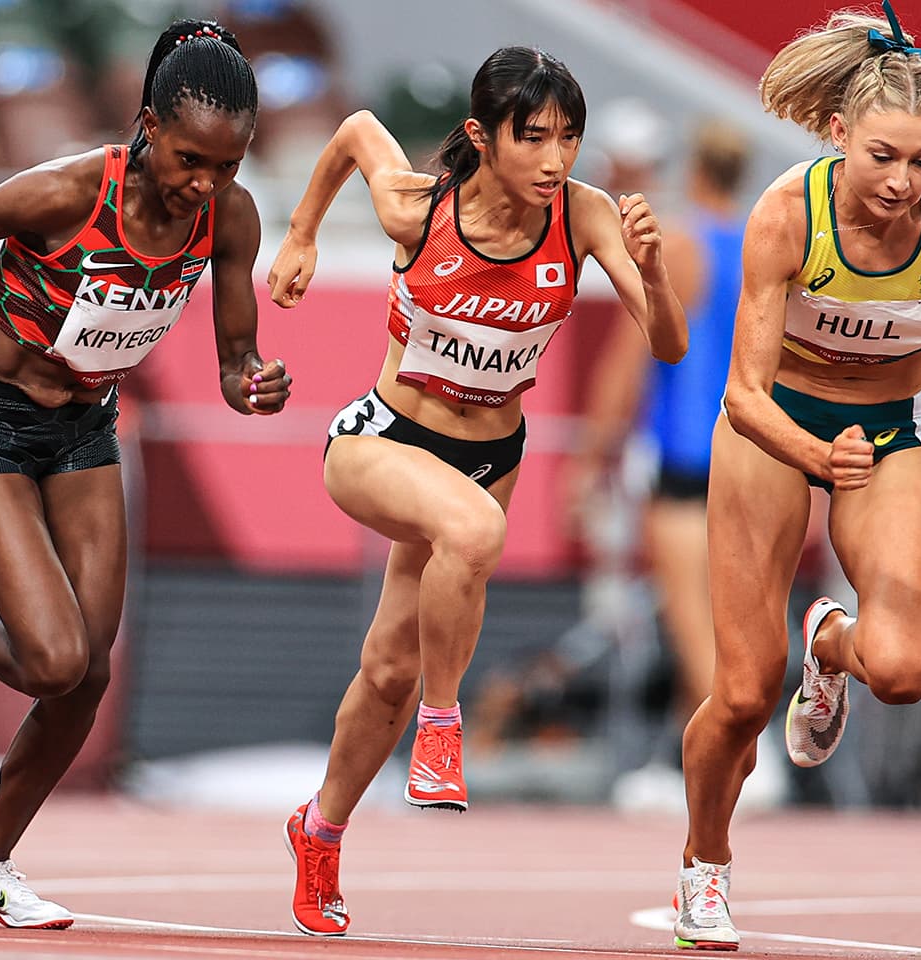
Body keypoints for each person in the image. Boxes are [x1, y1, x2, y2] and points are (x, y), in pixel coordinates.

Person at [0, 18, 289, 929]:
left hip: (82, 430)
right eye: (192, 160)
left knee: (89, 678)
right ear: (148, 126)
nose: (206, 185)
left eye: (227, 167)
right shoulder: (70, 191)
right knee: (53, 659)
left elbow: (237, 359)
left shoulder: (229, 217)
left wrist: (253, 382)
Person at [266, 46, 689, 936]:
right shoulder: (418, 209)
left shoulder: (585, 216)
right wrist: (301, 234)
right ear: (480, 137)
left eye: (569, 138)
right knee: (472, 535)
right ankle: (444, 724)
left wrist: (650, 269)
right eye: (532, 138)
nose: (555, 159)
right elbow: (353, 131)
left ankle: (321, 827)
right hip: (382, 440)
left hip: (493, 454)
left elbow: (669, 348)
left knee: (385, 667)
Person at [673, 3, 921, 951]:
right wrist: (812, 455)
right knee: (746, 693)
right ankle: (705, 867)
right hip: (777, 426)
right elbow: (742, 394)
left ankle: (828, 642)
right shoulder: (789, 212)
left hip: (893, 431)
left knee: (907, 673)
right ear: (839, 135)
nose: (903, 183)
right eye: (882, 157)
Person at [572, 120, 752, 805]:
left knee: (693, 622)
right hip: (752, 453)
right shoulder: (768, 243)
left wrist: (587, 461)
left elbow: (626, 367)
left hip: (685, 456)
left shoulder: (676, 247)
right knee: (732, 618)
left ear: (693, 172)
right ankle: (696, 765)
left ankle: (734, 766)